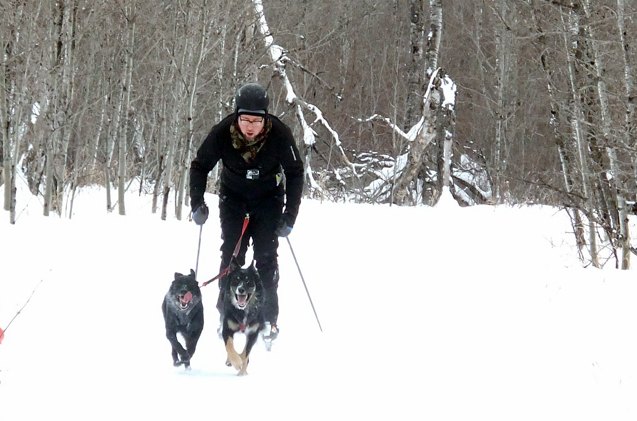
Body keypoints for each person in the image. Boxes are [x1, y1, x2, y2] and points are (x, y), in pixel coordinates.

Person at [189, 82, 304, 341]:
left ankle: (268, 320)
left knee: (266, 259)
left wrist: (290, 215)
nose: (250, 126)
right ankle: (226, 318)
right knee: (231, 257)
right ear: (237, 116)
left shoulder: (280, 134)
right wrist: (197, 203)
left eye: (256, 120)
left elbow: (295, 172)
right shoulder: (222, 133)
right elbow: (199, 166)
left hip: (269, 200)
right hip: (234, 200)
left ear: (265, 119)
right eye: (245, 119)